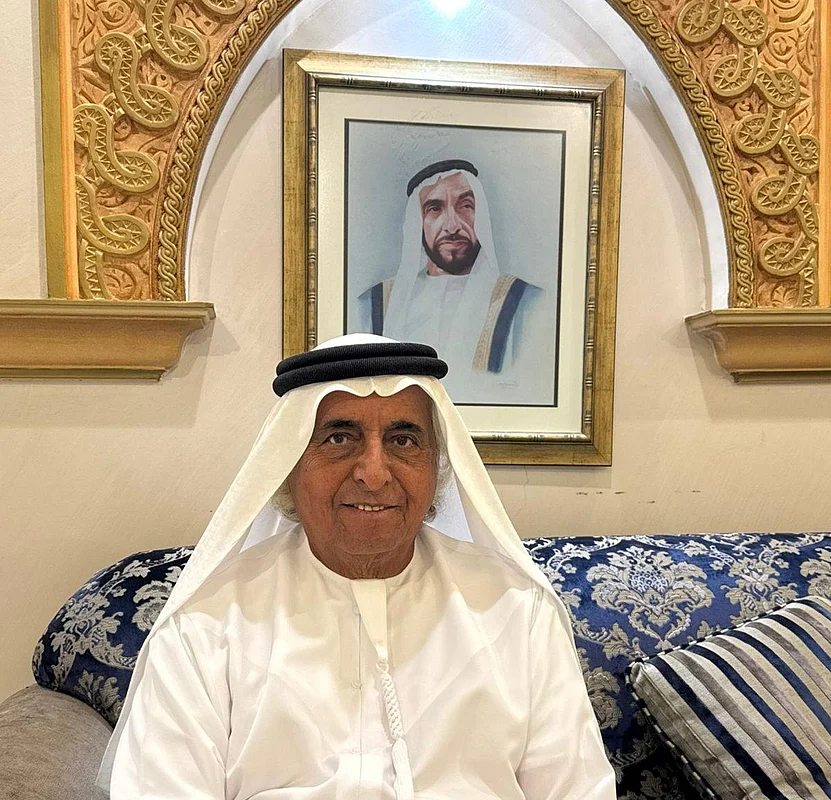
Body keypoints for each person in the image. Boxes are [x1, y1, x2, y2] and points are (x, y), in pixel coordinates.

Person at [98, 334, 615, 799]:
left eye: (403, 440)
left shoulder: (518, 609)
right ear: (287, 466)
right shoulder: (204, 624)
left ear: (435, 468)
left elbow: (577, 789)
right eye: (339, 439)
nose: (373, 473)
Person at [357, 160, 553, 405]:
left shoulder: (528, 303)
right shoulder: (372, 306)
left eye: (465, 206)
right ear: (418, 222)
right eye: (434, 209)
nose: (452, 226)